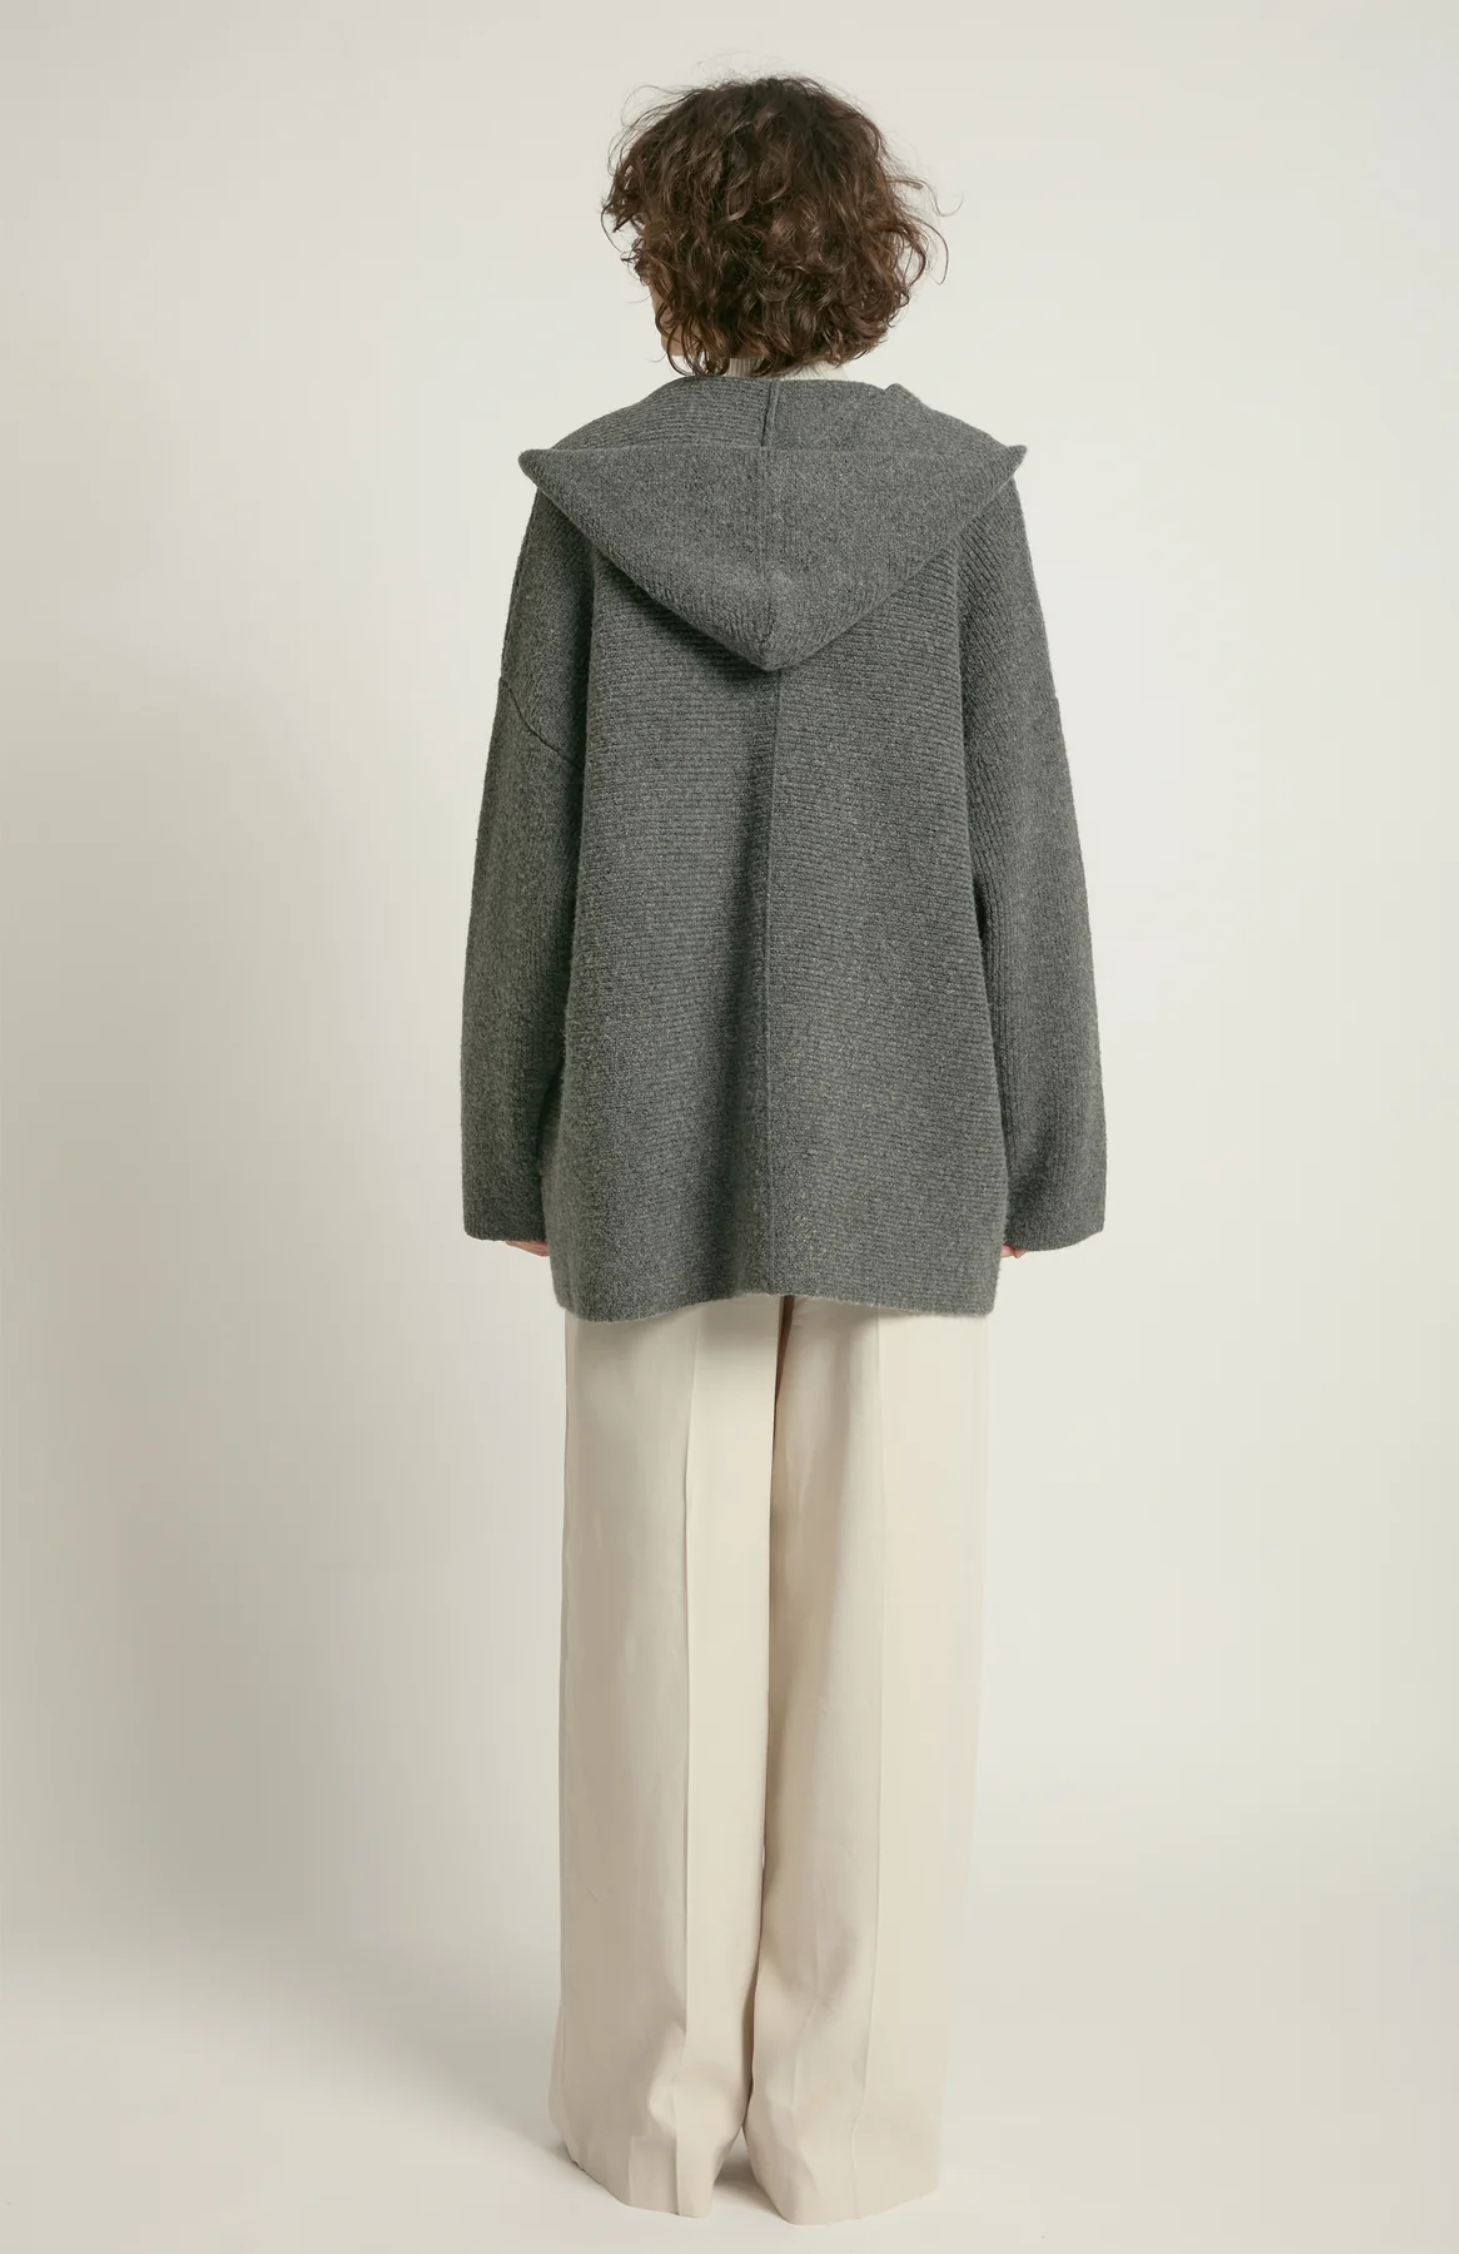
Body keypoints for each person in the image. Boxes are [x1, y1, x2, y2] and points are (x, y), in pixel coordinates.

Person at [459, 71, 1106, 2225]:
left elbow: (530, 857)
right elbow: (1024, 837)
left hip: (645, 1136)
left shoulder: (592, 505)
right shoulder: (954, 503)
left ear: (667, 256)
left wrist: (516, 1145)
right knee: (890, 1646)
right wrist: (1045, 1148)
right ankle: (846, 2130)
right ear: (870, 251)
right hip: (911, 1134)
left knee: (655, 1626)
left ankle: (649, 2119)